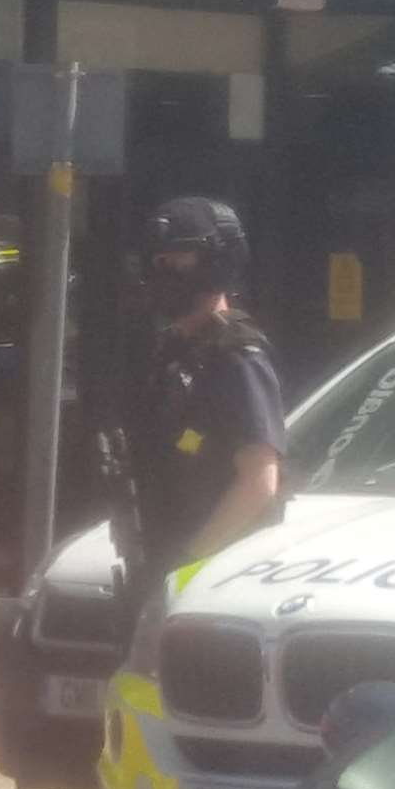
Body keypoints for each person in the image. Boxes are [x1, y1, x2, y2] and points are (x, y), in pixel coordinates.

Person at [132, 196, 285, 592]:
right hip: (160, 561)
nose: (165, 272)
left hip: (216, 577)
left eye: (180, 260)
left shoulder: (237, 355)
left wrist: (188, 565)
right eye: (159, 261)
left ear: (218, 262)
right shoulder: (171, 351)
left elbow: (259, 483)